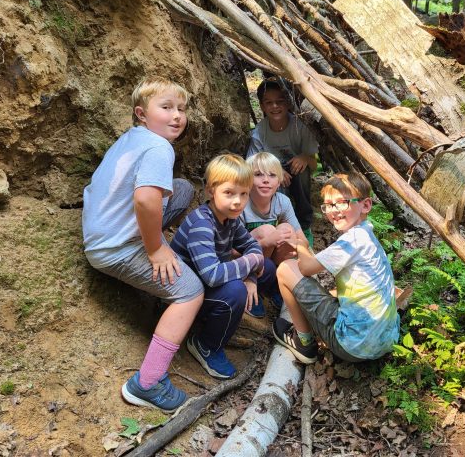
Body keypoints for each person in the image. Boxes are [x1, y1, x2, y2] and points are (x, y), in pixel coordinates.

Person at [82, 77, 203, 413]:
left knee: (181, 189)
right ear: (141, 113)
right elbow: (147, 201)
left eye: (182, 109)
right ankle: (147, 383)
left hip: (102, 229)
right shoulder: (158, 148)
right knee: (190, 291)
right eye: (166, 108)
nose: (177, 116)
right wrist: (155, 249)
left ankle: (155, 245)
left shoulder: (132, 139)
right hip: (115, 246)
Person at [170, 154, 281, 379]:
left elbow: (251, 245)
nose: (238, 201)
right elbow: (211, 276)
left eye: (244, 194)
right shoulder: (202, 223)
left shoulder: (230, 219)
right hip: (190, 292)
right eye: (229, 193)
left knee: (267, 266)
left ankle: (276, 303)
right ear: (211, 191)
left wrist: (252, 276)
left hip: (211, 277)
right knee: (234, 292)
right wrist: (250, 264)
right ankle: (206, 344)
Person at [272, 172, 400, 364]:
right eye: (329, 205)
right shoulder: (366, 234)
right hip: (385, 340)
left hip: (352, 345)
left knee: (285, 269)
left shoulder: (351, 240)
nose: (334, 210)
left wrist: (300, 244)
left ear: (365, 205)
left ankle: (304, 342)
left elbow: (306, 268)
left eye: (342, 202)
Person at [246, 78, 319, 246]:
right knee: (273, 181)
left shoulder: (299, 126)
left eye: (279, 101)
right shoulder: (260, 132)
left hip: (297, 172)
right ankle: (282, 224)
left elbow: (314, 164)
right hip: (275, 176)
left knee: (302, 171)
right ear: (262, 106)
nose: (274, 106)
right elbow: (250, 166)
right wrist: (277, 172)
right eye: (269, 102)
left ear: (288, 102)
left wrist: (305, 157)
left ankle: (304, 225)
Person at [241, 152, 309, 317]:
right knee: (267, 230)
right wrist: (267, 240)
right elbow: (231, 251)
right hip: (245, 263)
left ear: (279, 182)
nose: (266, 180)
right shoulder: (241, 203)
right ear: (248, 180)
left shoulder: (282, 202)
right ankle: (250, 287)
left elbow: (304, 241)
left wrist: (291, 241)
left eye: (272, 175)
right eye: (258, 174)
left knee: (287, 229)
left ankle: (277, 283)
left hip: (269, 262)